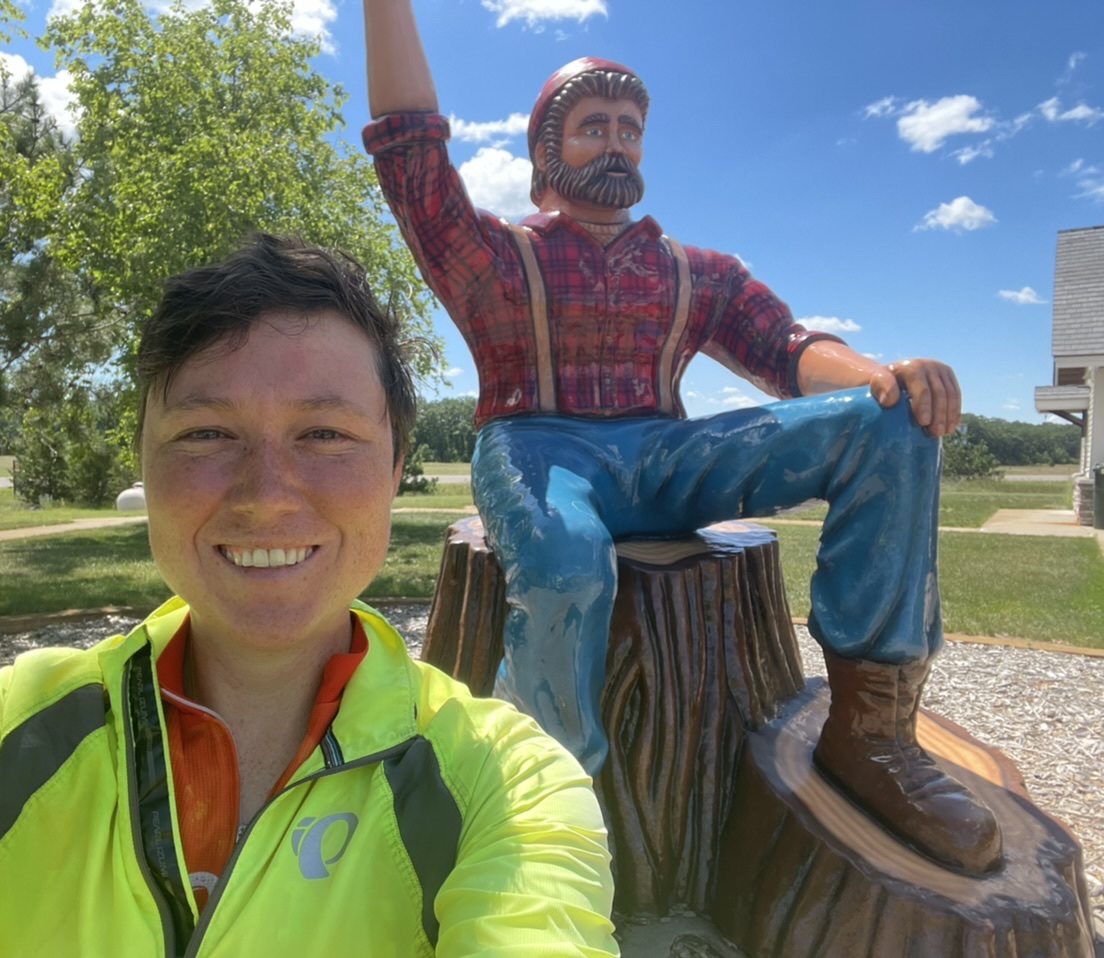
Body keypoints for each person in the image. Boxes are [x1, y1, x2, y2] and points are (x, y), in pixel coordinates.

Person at [0, 234, 620, 956]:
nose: (265, 494)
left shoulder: (505, 785)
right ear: (145, 457)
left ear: (395, 464)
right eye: (207, 434)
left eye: (325, 434)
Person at [361, 0, 1003, 877]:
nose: (618, 142)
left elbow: (786, 351)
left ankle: (871, 736)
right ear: (547, 158)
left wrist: (882, 380)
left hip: (663, 454)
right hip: (538, 451)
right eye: (593, 128)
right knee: (564, 564)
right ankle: (546, 809)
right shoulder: (493, 256)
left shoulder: (696, 273)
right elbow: (413, 154)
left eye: (630, 128)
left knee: (891, 428)